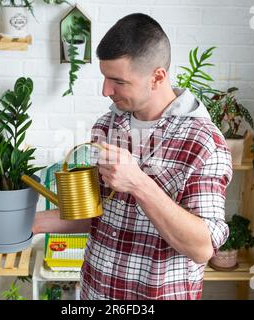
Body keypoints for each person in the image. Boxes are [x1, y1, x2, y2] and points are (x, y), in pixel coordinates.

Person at [33, 13, 232, 300]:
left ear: (157, 77)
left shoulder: (203, 142)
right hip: (95, 292)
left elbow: (202, 248)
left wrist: (138, 183)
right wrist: (33, 223)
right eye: (104, 77)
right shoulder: (107, 126)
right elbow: (99, 215)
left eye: (117, 81)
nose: (105, 90)